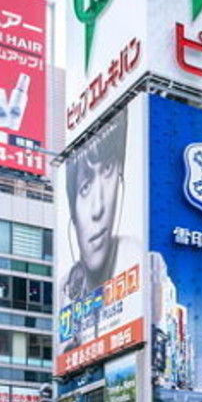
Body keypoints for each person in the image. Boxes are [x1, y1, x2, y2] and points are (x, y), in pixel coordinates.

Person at [60, 114, 133, 351]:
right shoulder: (66, 287)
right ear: (71, 211)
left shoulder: (138, 257)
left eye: (109, 169)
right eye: (85, 187)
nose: (99, 207)